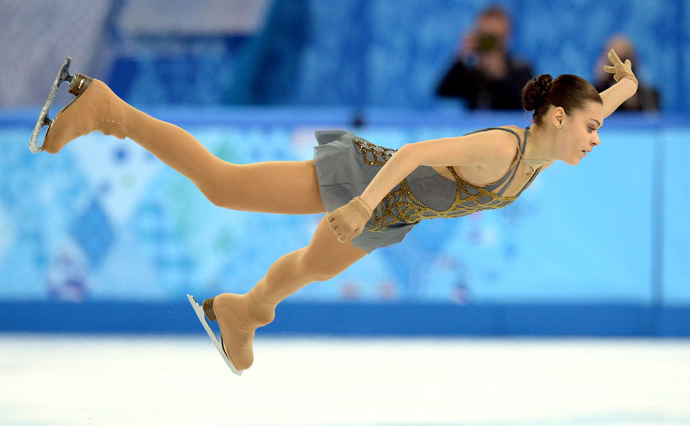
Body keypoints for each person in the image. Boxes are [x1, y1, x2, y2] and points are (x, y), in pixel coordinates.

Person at [36, 49, 638, 373]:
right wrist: (361, 201)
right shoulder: (502, 149)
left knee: (311, 269)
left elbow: (607, 100)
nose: (597, 137)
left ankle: (244, 311)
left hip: (393, 213)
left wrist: (624, 86)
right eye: (590, 127)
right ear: (556, 118)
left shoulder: (553, 141)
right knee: (223, 186)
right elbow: (416, 152)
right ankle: (109, 110)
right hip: (370, 182)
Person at [435, 6, 533, 110]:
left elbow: (526, 104)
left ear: (507, 37)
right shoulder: (471, 69)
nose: (490, 44)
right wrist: (460, 59)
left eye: (495, 38)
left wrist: (500, 76)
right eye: (486, 37)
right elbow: (443, 92)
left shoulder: (521, 69)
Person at [594, 35, 660, 112]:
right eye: (612, 60)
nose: (618, 68)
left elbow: (652, 118)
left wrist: (632, 97)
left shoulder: (649, 96)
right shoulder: (593, 95)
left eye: (623, 60)